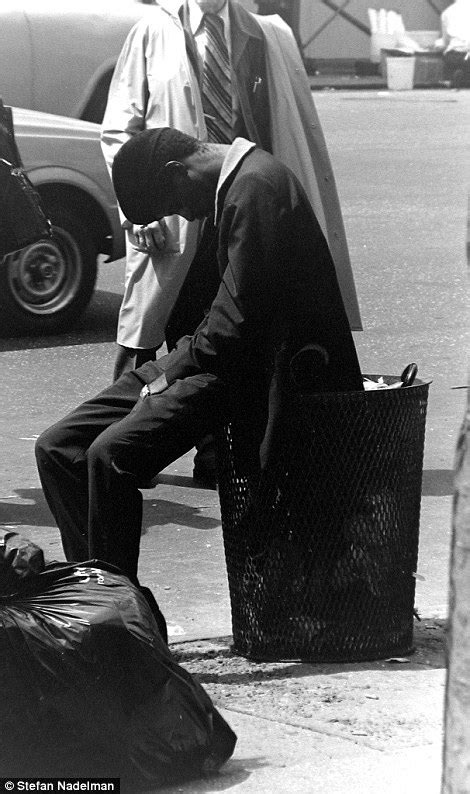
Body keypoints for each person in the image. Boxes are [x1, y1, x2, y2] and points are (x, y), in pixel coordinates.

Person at [35, 128, 363, 590]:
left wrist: (165, 374)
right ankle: (93, 599)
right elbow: (216, 322)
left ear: (177, 172)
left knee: (113, 456)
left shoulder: (255, 189)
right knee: (57, 447)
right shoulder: (236, 187)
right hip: (208, 354)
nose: (181, 216)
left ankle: (123, 618)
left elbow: (234, 329)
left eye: (172, 206)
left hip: (245, 370)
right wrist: (164, 370)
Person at [101, 0, 362, 486]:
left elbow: (282, 118)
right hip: (174, 206)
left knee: (231, 324)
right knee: (162, 330)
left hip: (234, 199)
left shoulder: (262, 33)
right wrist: (137, 213)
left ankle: (215, 455)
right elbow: (120, 128)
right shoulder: (155, 30)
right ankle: (122, 445)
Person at [435, 0, 470, 86]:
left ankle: (457, 78)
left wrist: (437, 45)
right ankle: (464, 78)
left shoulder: (446, 13)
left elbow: (445, 42)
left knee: (452, 60)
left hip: (453, 55)